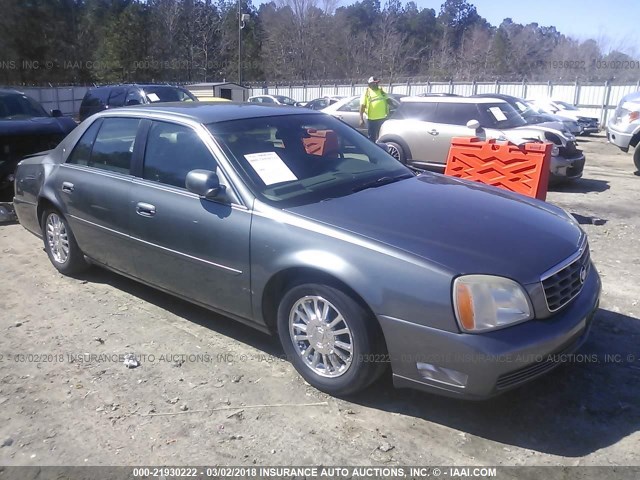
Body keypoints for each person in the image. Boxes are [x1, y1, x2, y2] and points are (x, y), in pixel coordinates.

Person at [359, 76, 390, 141]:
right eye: (374, 83)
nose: (376, 84)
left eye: (377, 83)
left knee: (381, 137)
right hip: (371, 119)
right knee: (371, 138)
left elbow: (388, 101)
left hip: (382, 118)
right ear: (370, 84)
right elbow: (362, 106)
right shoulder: (367, 92)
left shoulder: (381, 91)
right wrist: (361, 119)